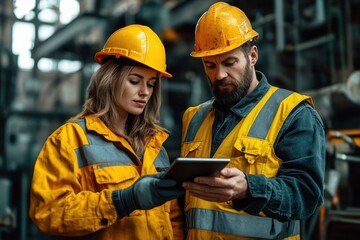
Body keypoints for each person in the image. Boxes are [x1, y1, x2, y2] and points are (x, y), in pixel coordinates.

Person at [180, 2, 325, 240]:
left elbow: (306, 195)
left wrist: (249, 188)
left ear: (253, 56)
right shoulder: (193, 117)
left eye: (229, 63)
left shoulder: (293, 114)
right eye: (210, 65)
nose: (219, 75)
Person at [29, 24, 185, 240]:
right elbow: (48, 212)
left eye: (150, 84)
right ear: (110, 79)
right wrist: (122, 201)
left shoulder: (154, 144)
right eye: (135, 81)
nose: (144, 92)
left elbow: (173, 219)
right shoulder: (69, 140)